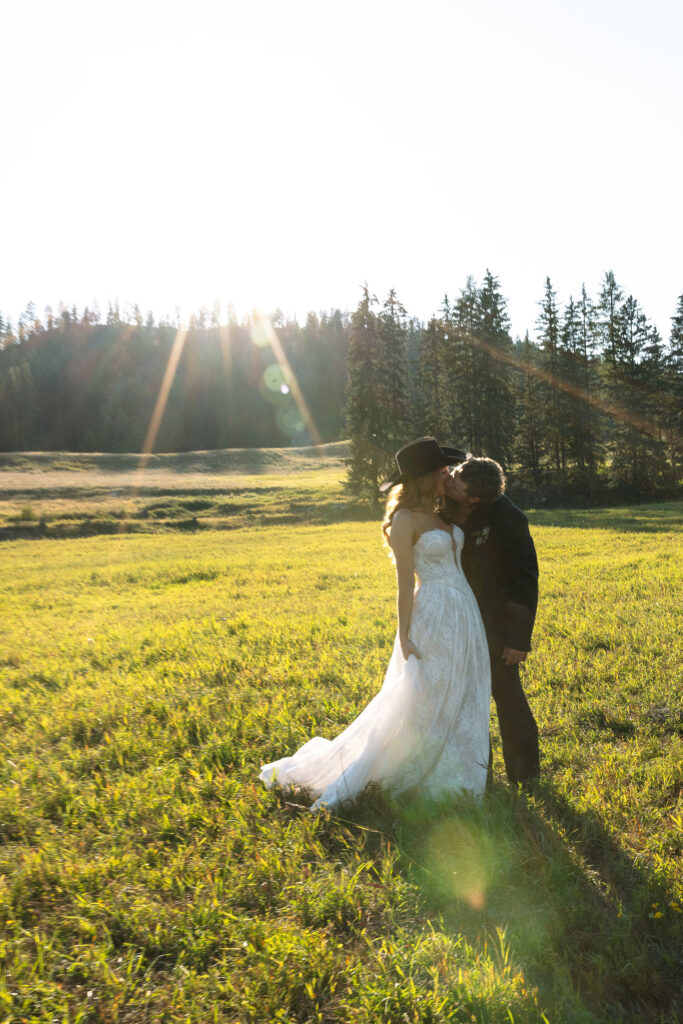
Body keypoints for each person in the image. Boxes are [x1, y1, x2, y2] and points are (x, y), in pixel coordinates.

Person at [259, 438, 492, 811]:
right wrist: (404, 632)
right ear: (425, 476)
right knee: (423, 694)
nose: (447, 474)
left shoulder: (440, 513)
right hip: (432, 611)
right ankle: (407, 767)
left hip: (464, 612)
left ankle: (459, 769)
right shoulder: (403, 520)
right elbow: (404, 581)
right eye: (441, 469)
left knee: (461, 689)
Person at [440, 457, 540, 788]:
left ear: (474, 499)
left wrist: (517, 638)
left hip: (494, 625)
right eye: (453, 474)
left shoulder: (508, 519)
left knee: (507, 694)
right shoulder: (441, 502)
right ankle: (473, 772)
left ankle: (525, 777)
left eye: (456, 481)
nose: (449, 479)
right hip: (452, 617)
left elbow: (524, 579)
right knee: (459, 697)